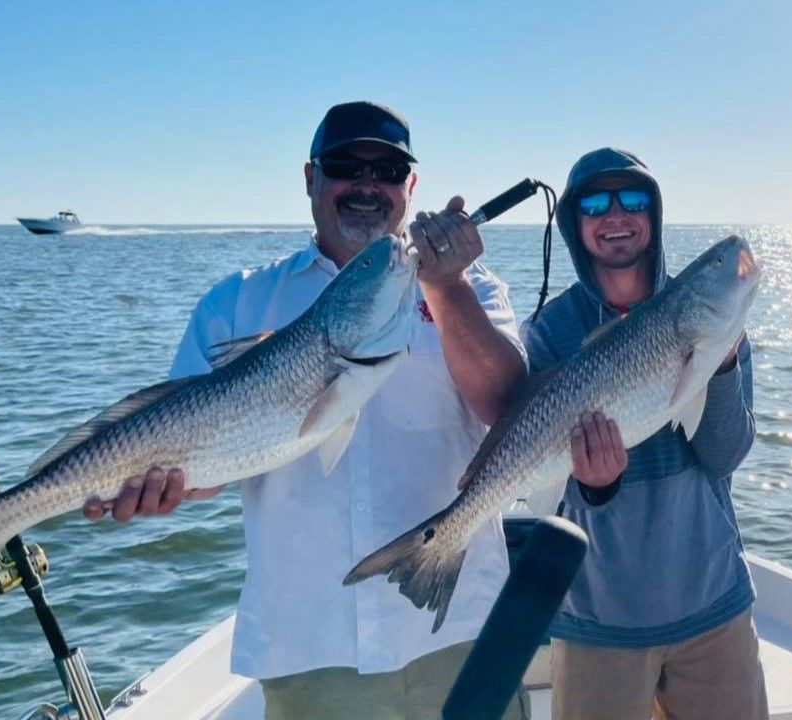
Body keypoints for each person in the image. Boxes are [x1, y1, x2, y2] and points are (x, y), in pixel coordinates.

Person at [82, 101, 529, 720]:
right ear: (310, 178)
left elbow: (509, 410)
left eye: (388, 171)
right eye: (347, 165)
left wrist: (447, 287)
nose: (368, 185)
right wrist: (164, 487)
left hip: (458, 623)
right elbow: (197, 460)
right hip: (309, 644)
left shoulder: (469, 284)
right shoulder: (237, 301)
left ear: (411, 188)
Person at [521, 148, 767, 720]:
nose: (615, 215)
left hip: (713, 607)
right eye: (595, 203)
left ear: (653, 215)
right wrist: (596, 486)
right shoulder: (549, 331)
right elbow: (544, 479)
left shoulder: (714, 316)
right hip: (596, 619)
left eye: (632, 200)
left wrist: (723, 364)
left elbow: (725, 455)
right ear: (573, 223)